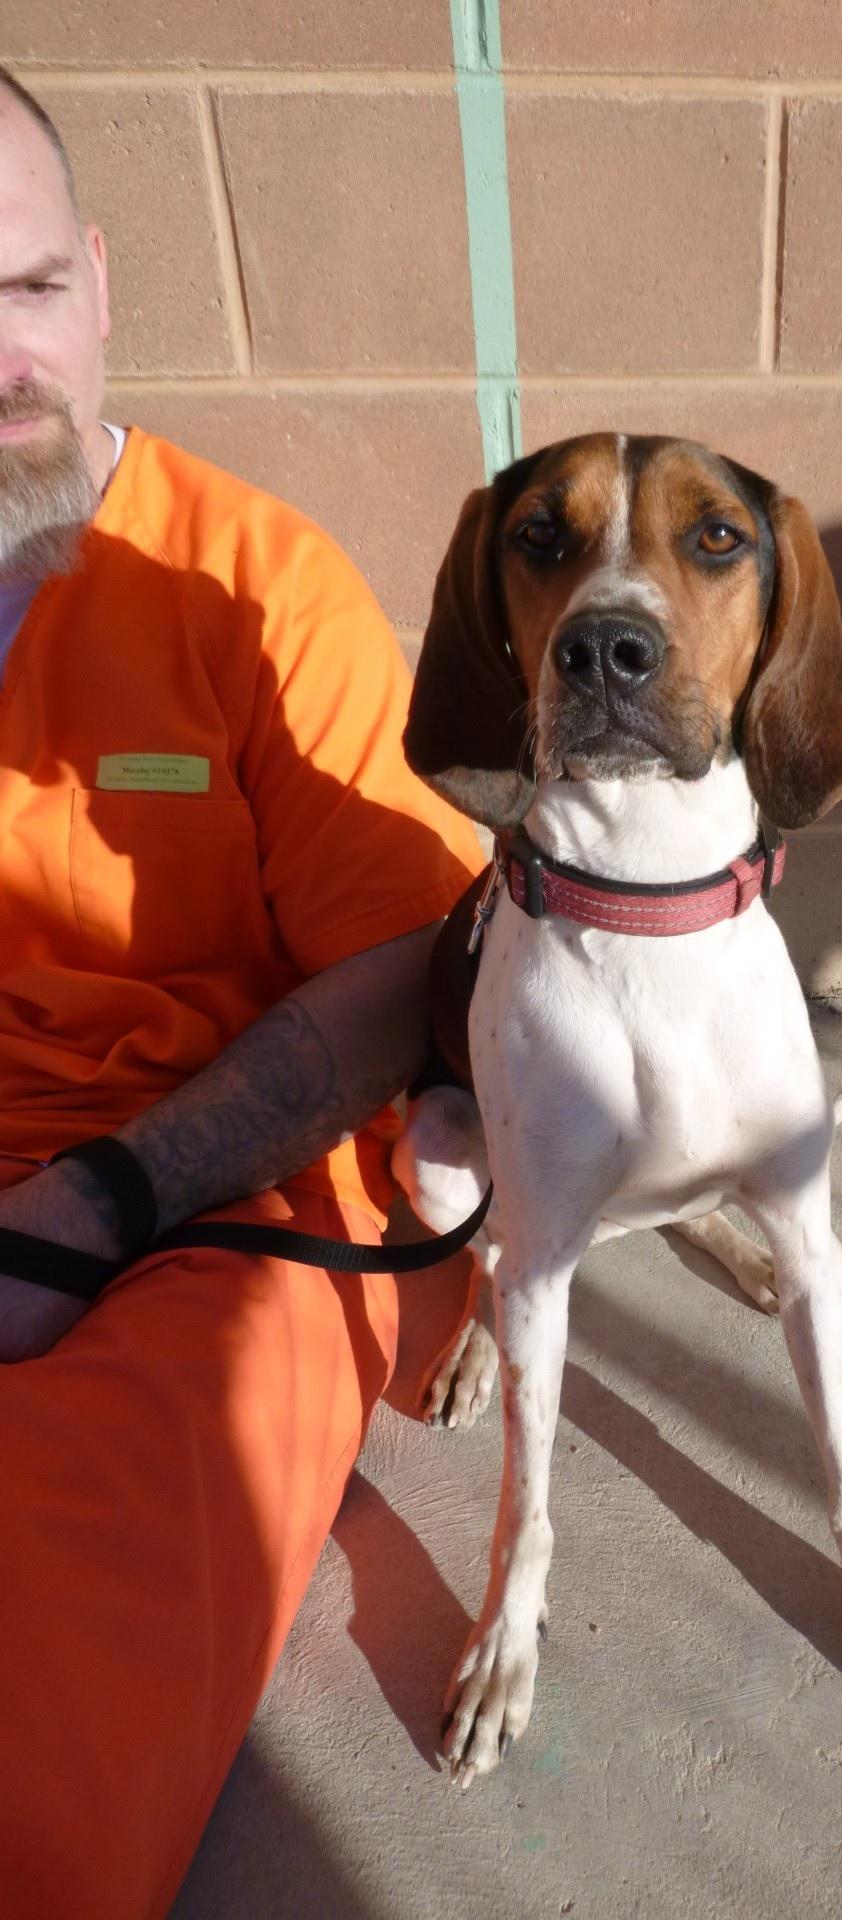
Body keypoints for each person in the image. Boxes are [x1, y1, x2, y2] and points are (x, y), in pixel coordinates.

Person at [0, 67, 481, 1917]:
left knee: (42, 1714)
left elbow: (393, 979)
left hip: (231, 1201)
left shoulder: (263, 589)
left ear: (104, 284)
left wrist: (92, 1202)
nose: (5, 357)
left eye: (31, 289)